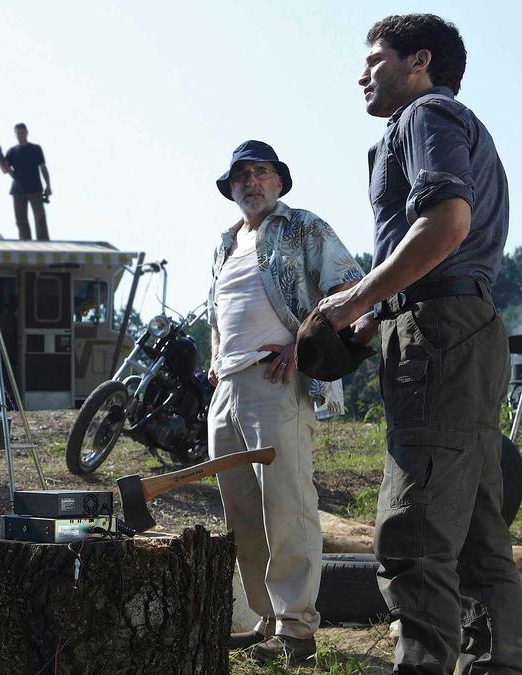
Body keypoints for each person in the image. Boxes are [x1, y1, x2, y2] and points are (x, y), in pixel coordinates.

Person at [317, 14, 522, 673]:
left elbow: (447, 223)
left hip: (437, 331)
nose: (362, 73)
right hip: (460, 327)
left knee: (411, 529)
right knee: (475, 530)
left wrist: (355, 299)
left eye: (375, 59)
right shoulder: (447, 124)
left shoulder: (424, 115)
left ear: (420, 61)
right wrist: (372, 318)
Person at [207, 140, 364, 665]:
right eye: (242, 175)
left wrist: (303, 341)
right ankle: (265, 620)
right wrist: (215, 359)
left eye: (261, 171)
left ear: (278, 181)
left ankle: (296, 630)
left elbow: (350, 286)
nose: (251, 182)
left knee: (287, 506)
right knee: (241, 512)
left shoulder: (302, 227)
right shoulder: (224, 244)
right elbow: (219, 312)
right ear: (231, 188)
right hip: (227, 386)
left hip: (276, 381)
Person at [0, 122, 52, 240]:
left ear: (27, 133)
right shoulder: (12, 151)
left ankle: (43, 242)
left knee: (40, 218)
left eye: (22, 132)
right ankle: (25, 243)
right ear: (15, 135)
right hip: (18, 191)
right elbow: (4, 170)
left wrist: (48, 185)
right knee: (21, 221)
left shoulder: (36, 148)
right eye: (18, 133)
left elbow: (43, 168)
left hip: (35, 189)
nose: (20, 135)